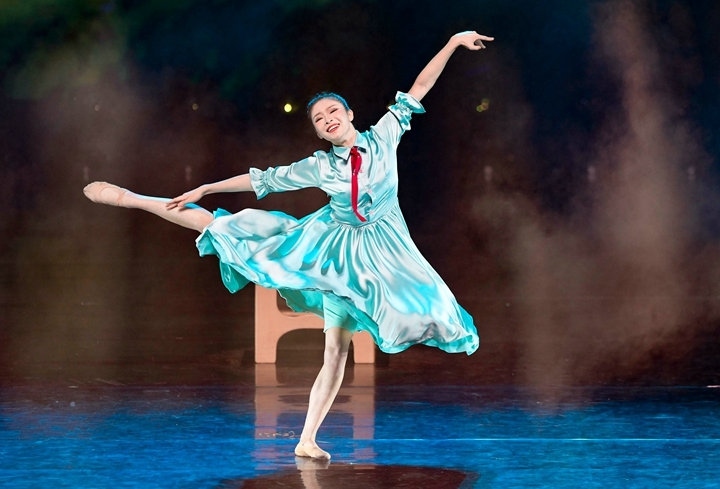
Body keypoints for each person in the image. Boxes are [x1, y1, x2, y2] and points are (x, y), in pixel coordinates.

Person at [83, 30, 493, 460]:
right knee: (227, 229)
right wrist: (207, 187)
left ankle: (305, 440)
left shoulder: (385, 135)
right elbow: (263, 179)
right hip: (331, 252)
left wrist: (452, 43)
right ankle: (133, 198)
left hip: (383, 252)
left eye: (333, 111)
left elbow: (420, 86)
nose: (328, 119)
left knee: (367, 337)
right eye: (319, 119)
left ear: (350, 114)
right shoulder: (319, 166)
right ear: (318, 131)